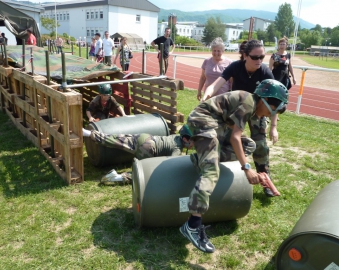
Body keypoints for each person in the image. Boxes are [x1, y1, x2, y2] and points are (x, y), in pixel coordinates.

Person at [180, 79, 289, 253]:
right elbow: (234, 138)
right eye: (271, 112)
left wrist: (261, 172)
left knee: (249, 145)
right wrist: (247, 169)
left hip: (217, 125)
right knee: (211, 170)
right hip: (203, 121)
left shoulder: (253, 104)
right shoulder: (247, 102)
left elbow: (243, 139)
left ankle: (204, 157)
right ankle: (192, 225)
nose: (268, 116)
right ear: (266, 101)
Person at [202, 39, 277, 197]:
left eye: (262, 57)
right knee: (226, 139)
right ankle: (220, 174)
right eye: (255, 57)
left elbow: (274, 101)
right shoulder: (235, 67)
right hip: (237, 111)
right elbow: (216, 84)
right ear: (245, 56)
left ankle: (265, 180)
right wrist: (206, 95)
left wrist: (274, 127)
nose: (259, 61)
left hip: (257, 111)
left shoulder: (265, 72)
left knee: (261, 145)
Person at [82, 124, 194, 160]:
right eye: (193, 140)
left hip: (145, 137)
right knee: (143, 173)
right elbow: (172, 165)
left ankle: (88, 133)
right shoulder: (177, 149)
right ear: (185, 139)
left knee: (116, 139)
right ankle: (118, 177)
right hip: (148, 148)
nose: (194, 143)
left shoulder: (176, 137)